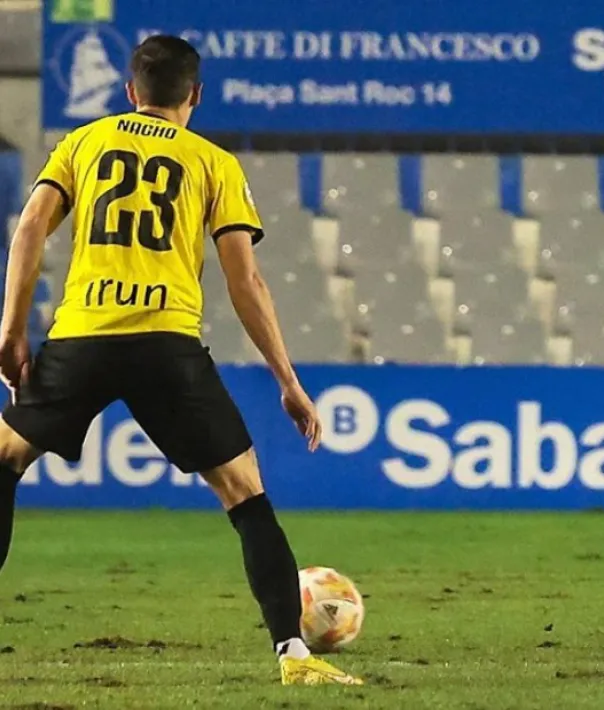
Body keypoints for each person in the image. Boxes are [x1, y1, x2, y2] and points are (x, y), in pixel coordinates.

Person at [0, 35, 363, 685]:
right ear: (195, 95)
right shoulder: (212, 162)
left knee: (4, 457)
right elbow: (244, 282)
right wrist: (289, 381)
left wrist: (11, 331)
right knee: (244, 492)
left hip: (82, 334)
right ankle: (294, 656)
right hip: (167, 343)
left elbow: (28, 228)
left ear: (130, 92)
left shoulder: (84, 143)